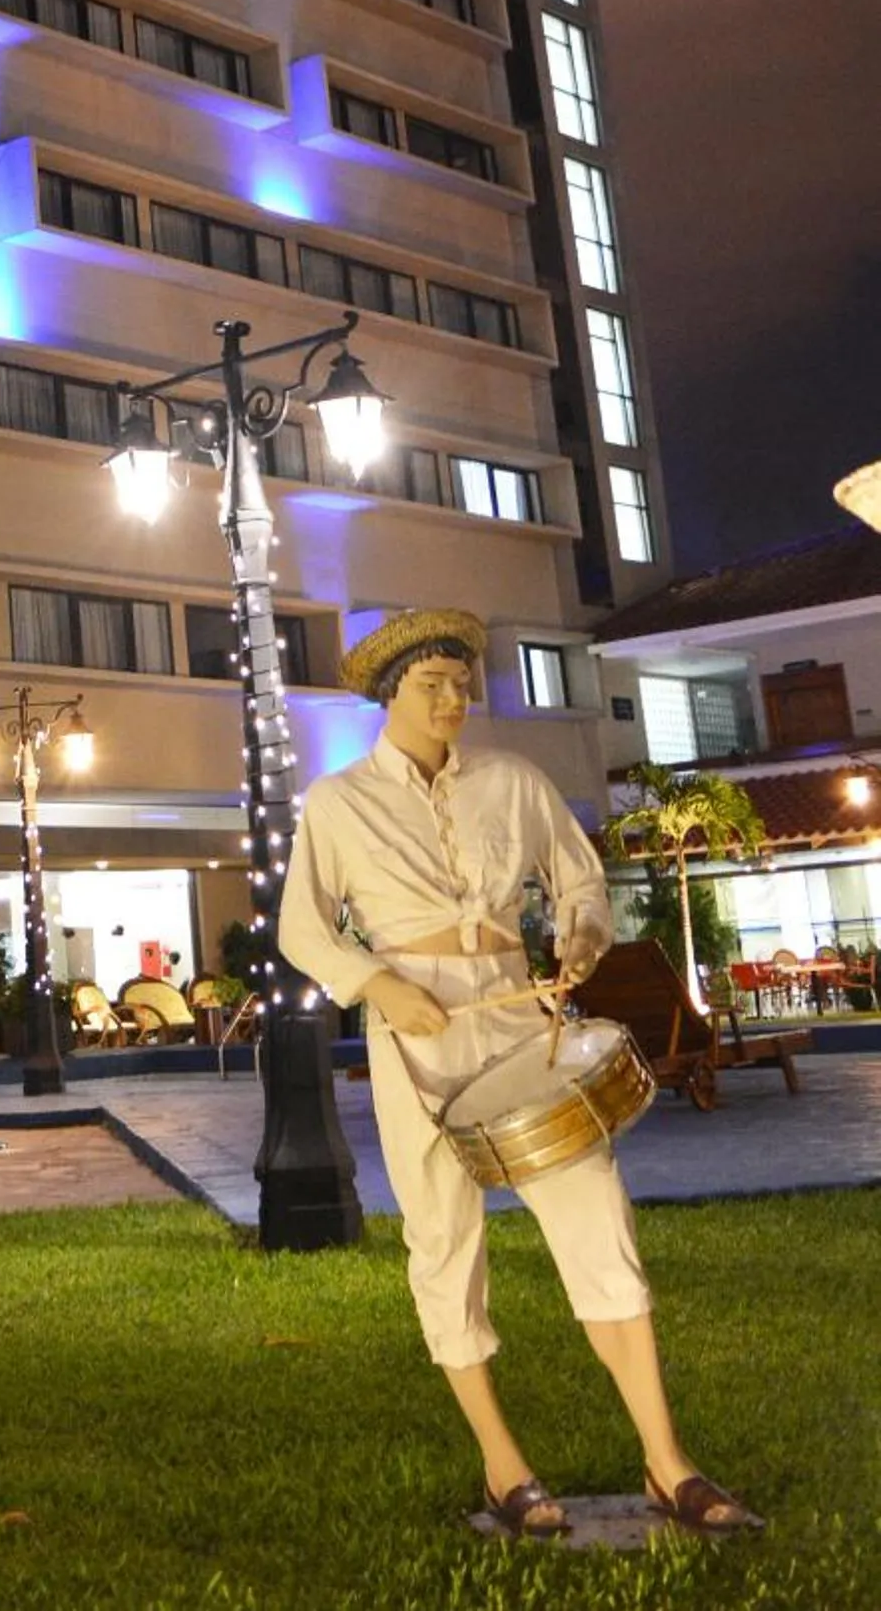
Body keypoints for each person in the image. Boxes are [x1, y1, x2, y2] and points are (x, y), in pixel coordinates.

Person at [279, 606, 760, 1539]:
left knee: (598, 1214)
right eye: (434, 685)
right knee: (444, 1239)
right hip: (413, 1036)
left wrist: (580, 930)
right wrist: (375, 980)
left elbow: (578, 881)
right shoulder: (337, 803)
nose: (455, 698)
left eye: (463, 683)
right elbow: (305, 925)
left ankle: (668, 1462)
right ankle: (505, 1466)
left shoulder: (513, 779)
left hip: (516, 1019)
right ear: (392, 694)